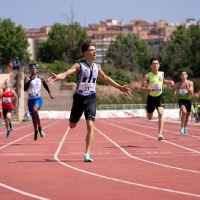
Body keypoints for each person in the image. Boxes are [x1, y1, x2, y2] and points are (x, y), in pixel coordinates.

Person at [47, 40, 132, 162]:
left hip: (91, 98)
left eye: (95, 50)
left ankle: (87, 153)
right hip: (79, 98)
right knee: (72, 125)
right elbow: (66, 74)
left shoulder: (97, 67)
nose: (94, 52)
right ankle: (72, 119)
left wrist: (119, 87)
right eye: (91, 50)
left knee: (91, 125)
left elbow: (106, 78)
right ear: (85, 53)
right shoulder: (79, 65)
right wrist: (58, 77)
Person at [140, 58, 174, 141]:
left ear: (159, 65)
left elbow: (162, 81)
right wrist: (147, 89)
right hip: (151, 98)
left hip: (159, 96)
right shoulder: (147, 76)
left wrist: (170, 82)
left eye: (157, 63)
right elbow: (141, 88)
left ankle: (160, 134)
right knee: (149, 117)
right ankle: (148, 111)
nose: (155, 65)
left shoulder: (161, 74)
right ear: (151, 66)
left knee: (160, 113)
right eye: (153, 63)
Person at [24, 64, 54, 141]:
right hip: (30, 100)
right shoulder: (27, 78)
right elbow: (25, 89)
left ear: (37, 70)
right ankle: (35, 130)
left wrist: (50, 93)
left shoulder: (40, 78)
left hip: (38, 99)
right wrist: (29, 81)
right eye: (32, 69)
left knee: (35, 110)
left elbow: (45, 85)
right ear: (30, 70)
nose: (33, 70)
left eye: (34, 69)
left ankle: (40, 127)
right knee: (33, 118)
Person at [172, 70, 194, 134]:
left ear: (187, 75)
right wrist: (173, 98)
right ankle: (181, 128)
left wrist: (188, 88)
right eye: (182, 74)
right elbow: (173, 89)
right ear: (180, 76)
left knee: (187, 116)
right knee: (184, 111)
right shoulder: (178, 84)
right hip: (181, 100)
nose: (183, 75)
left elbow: (192, 93)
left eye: (185, 74)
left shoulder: (190, 83)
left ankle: (184, 127)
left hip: (188, 100)